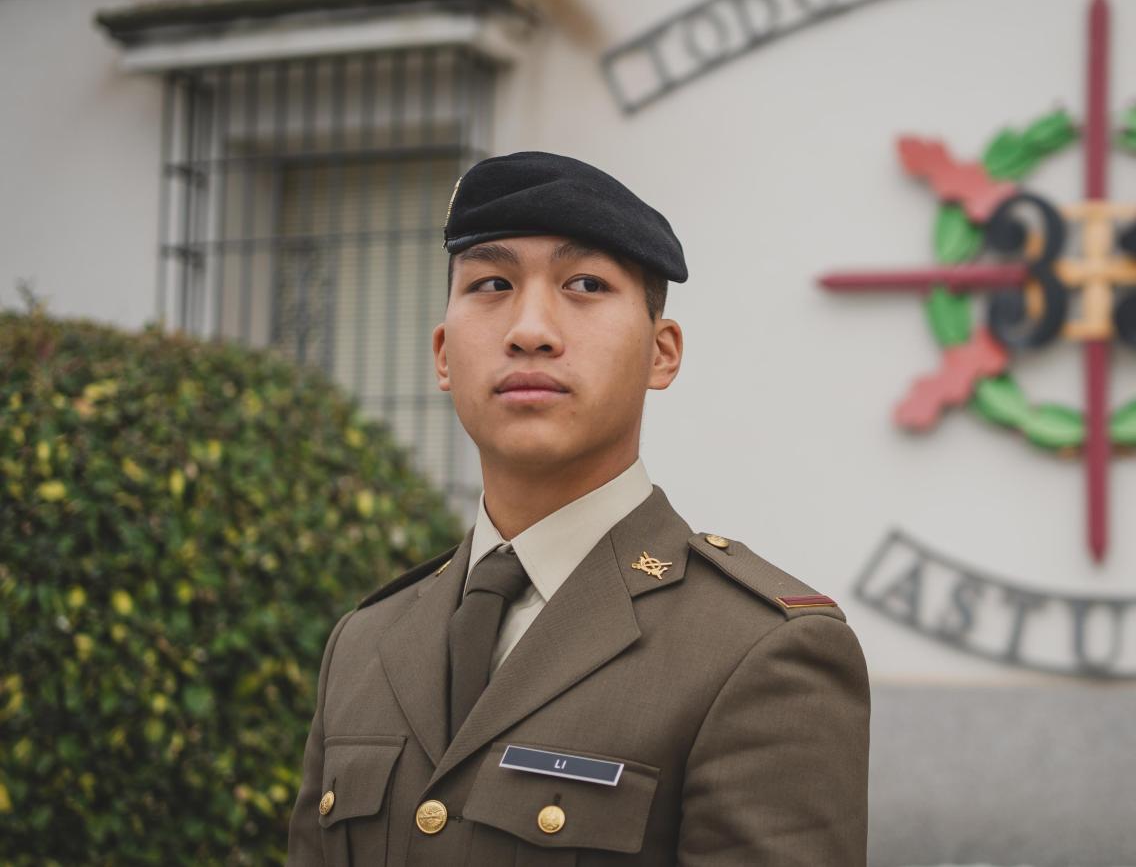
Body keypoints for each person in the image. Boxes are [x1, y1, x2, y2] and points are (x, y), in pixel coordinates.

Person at [285, 151, 870, 865]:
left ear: (662, 353)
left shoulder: (757, 653)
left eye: (586, 284)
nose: (531, 329)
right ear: (442, 354)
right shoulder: (366, 643)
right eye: (492, 284)